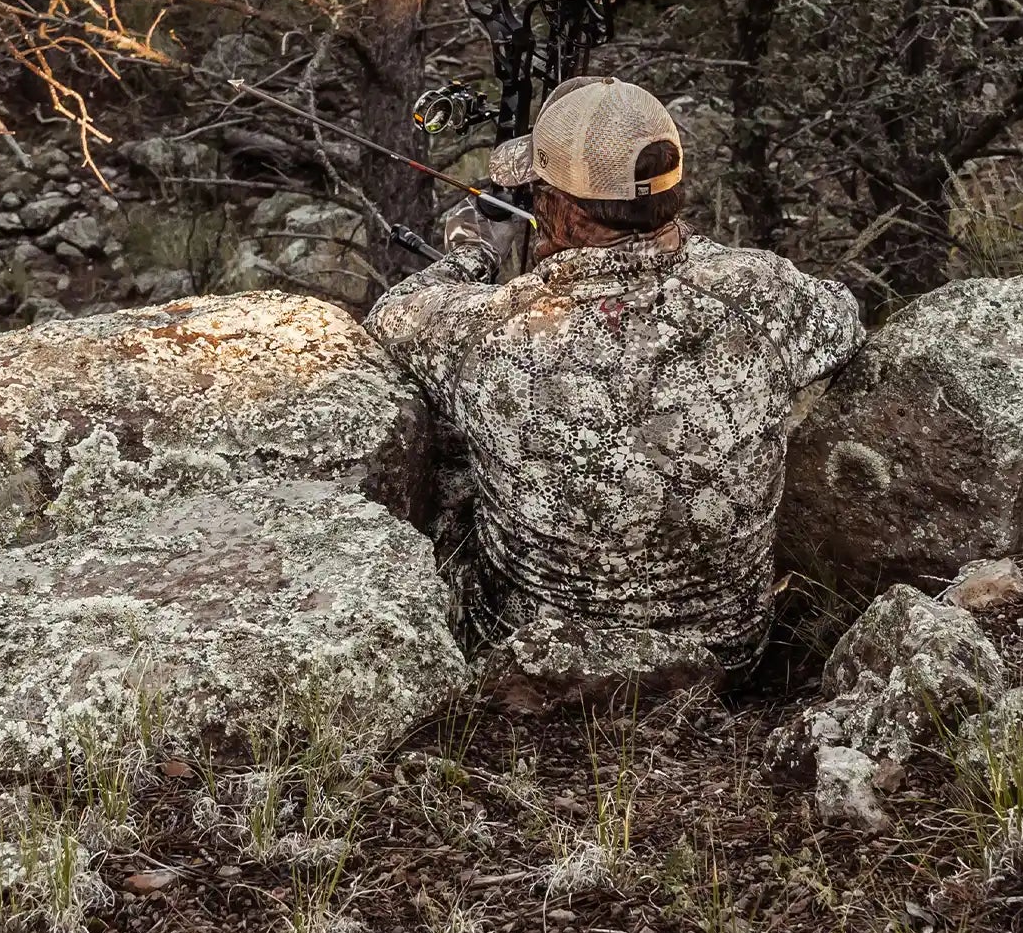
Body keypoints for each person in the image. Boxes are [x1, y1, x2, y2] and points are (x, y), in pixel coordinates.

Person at [367, 77, 863, 670]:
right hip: (729, 660)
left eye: (536, 192)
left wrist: (477, 251)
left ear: (559, 210)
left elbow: (390, 316)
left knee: (448, 474)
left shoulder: (488, 331)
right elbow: (844, 320)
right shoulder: (765, 294)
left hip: (534, 662)